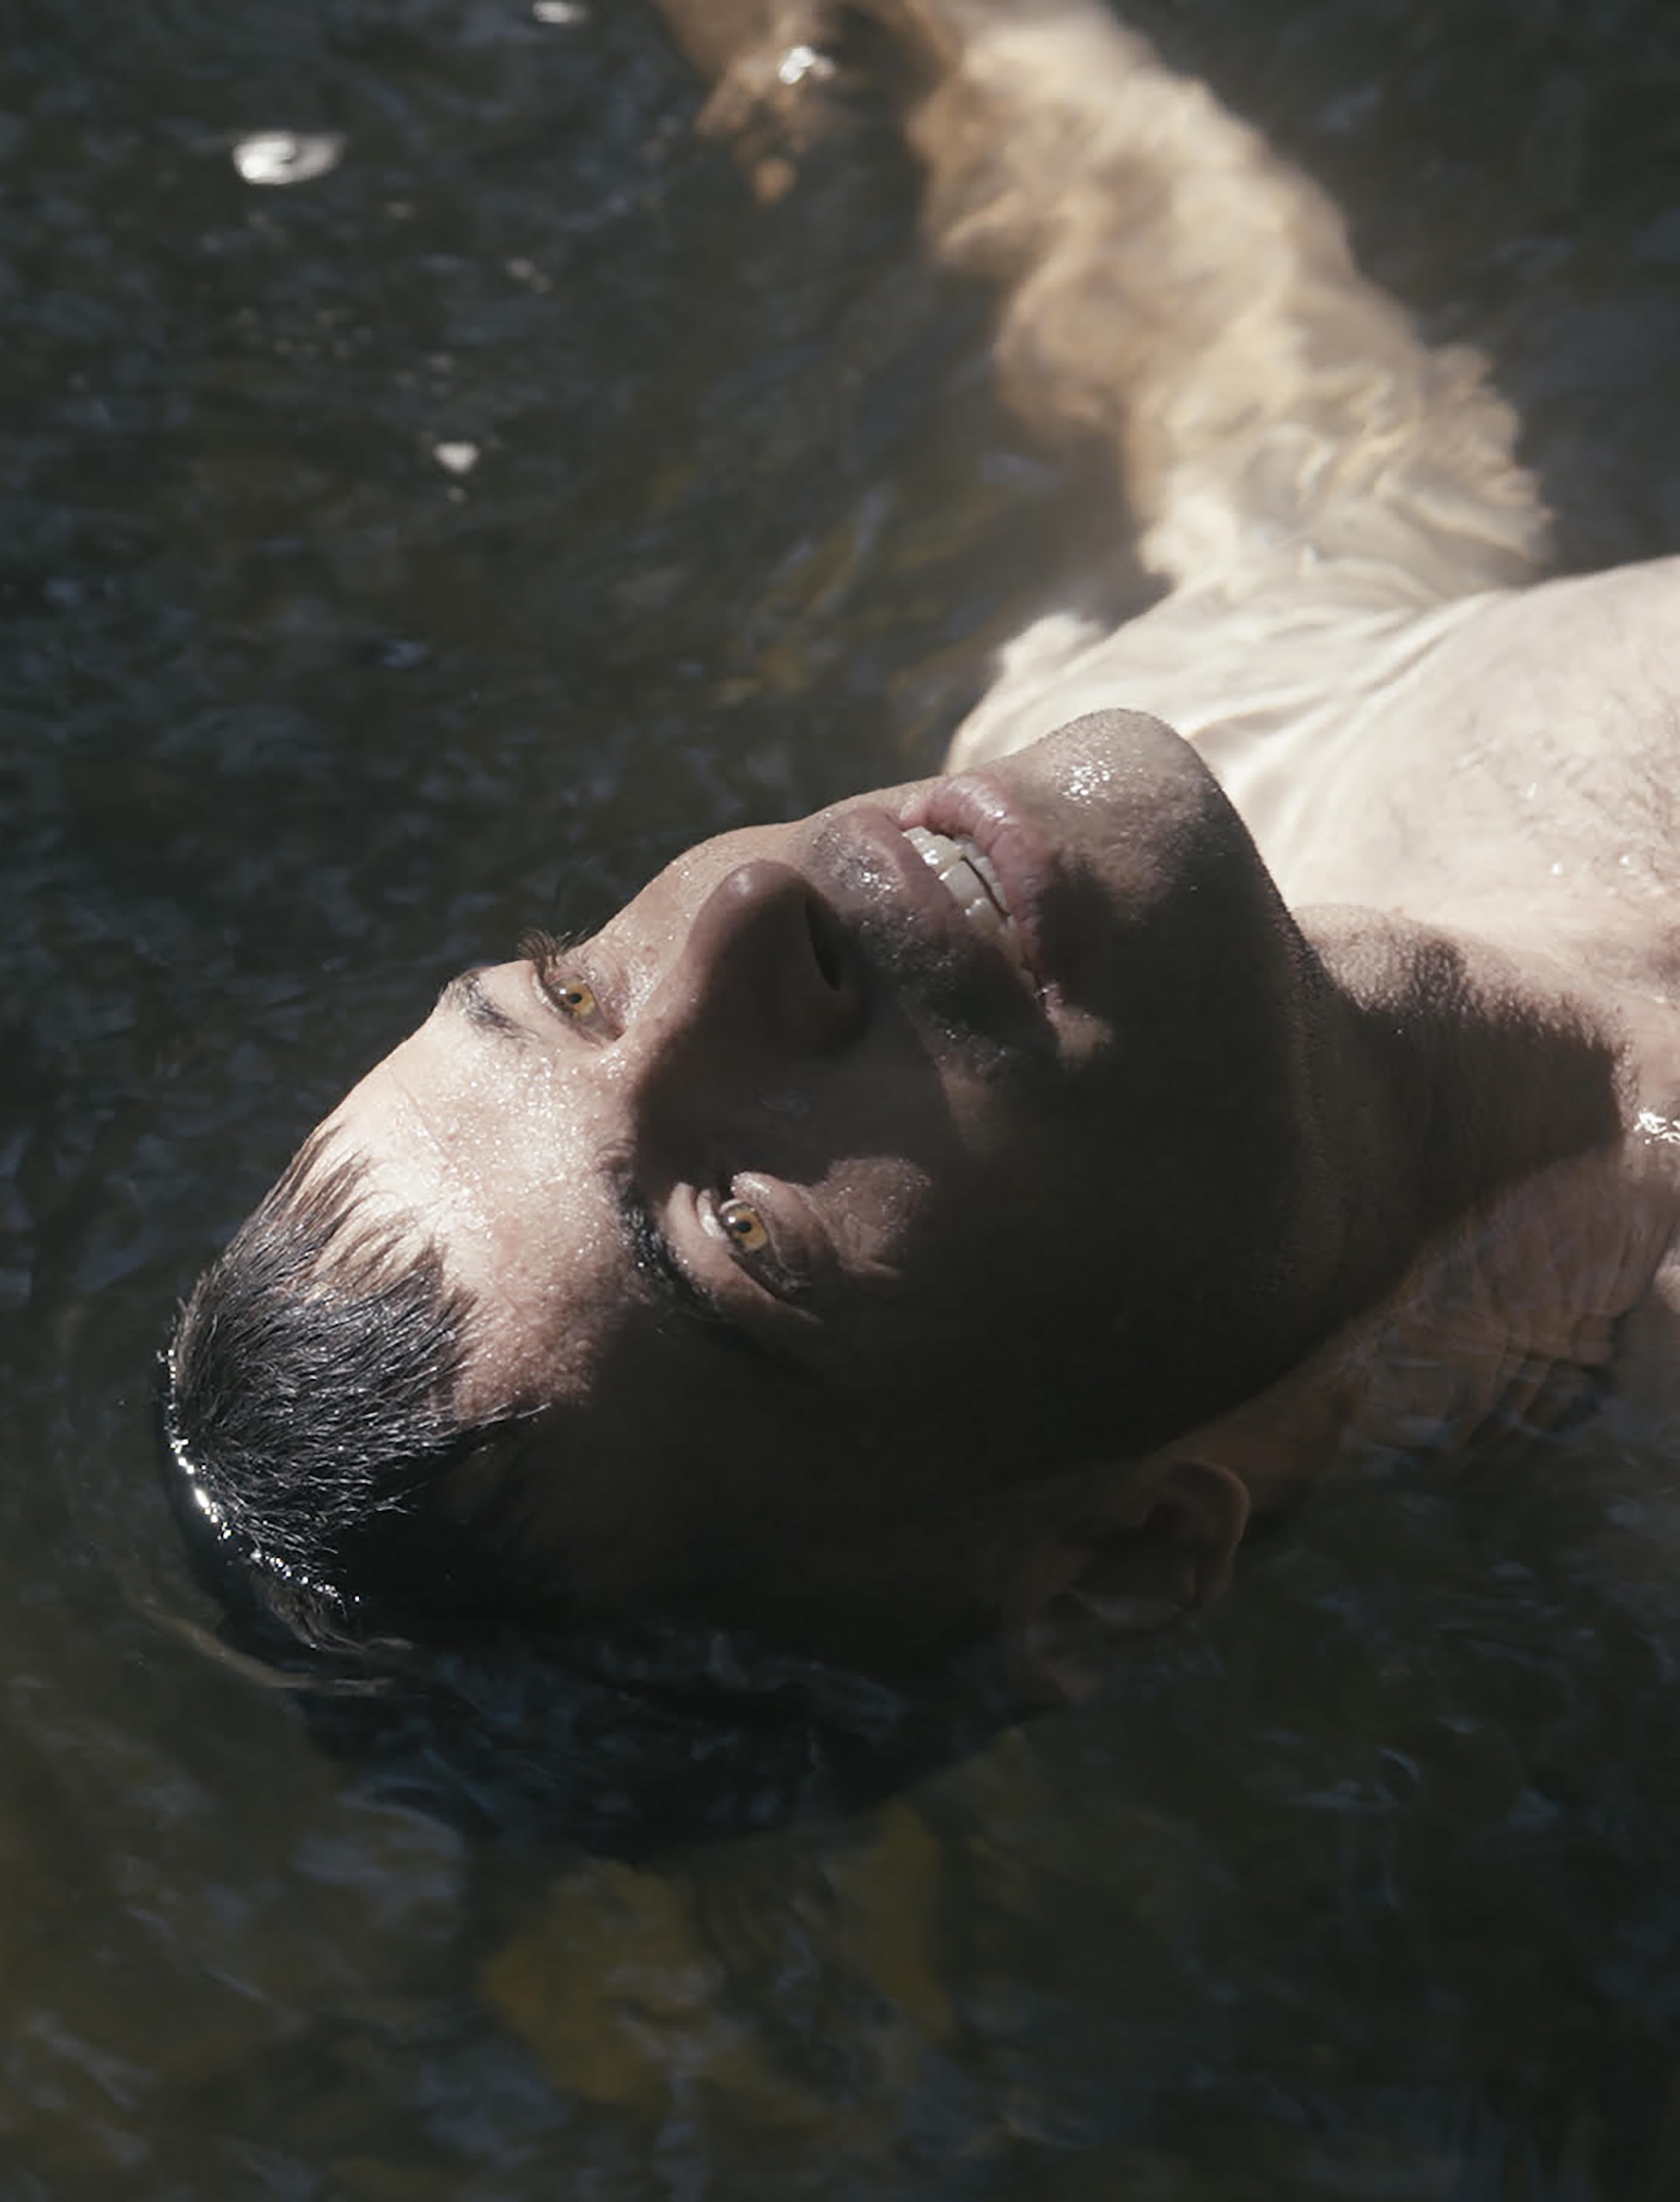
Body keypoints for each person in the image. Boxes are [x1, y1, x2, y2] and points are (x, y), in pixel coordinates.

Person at [163, 0, 1680, 1731]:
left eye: (575, 991)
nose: (748, 915)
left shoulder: (1219, 702)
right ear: (1118, 1560)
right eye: (746, 1227)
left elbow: (1206, 313)